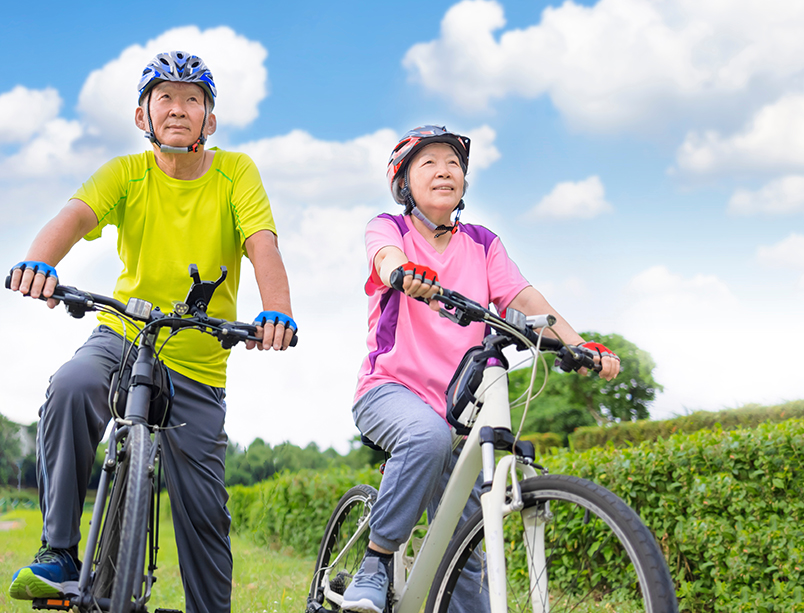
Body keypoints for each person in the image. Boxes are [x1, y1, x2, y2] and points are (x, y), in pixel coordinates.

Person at [7, 51, 296, 613]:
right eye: (165, 97)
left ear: (209, 120)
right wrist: (39, 263)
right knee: (70, 386)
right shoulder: (126, 173)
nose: (179, 109)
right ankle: (60, 551)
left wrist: (277, 310)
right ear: (143, 115)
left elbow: (263, 243)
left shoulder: (236, 171)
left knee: (205, 512)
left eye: (193, 99)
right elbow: (74, 216)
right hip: (125, 335)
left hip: (198, 359)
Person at [340, 125, 621, 613]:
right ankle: (375, 562)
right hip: (390, 389)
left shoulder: (483, 244)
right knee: (426, 437)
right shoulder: (390, 228)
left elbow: (524, 299)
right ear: (403, 181)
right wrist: (404, 273)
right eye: (428, 163)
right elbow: (385, 259)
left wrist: (579, 346)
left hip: (460, 408)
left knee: (466, 545)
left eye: (453, 163)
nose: (445, 170)